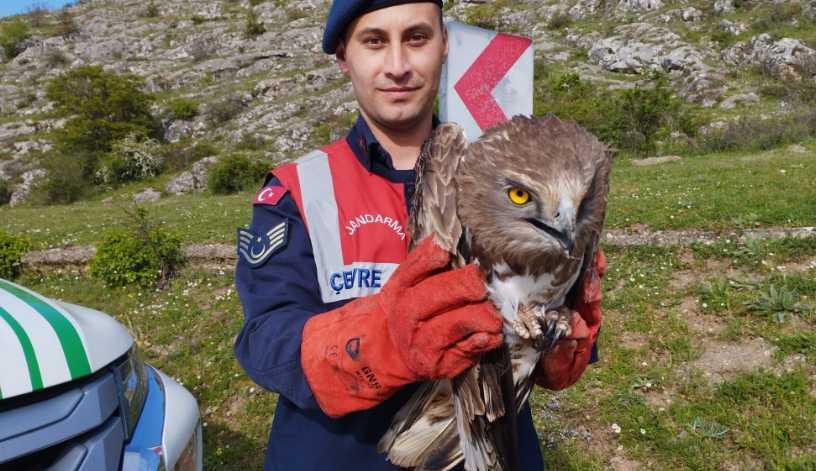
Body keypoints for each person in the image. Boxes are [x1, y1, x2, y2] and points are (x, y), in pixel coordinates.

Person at [233, 0, 605, 469]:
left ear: (444, 45)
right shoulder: (299, 189)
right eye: (374, 41)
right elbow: (265, 341)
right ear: (344, 58)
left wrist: (562, 342)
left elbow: (552, 327)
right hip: (340, 455)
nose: (398, 66)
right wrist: (379, 341)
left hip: (486, 444)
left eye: (416, 37)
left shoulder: (524, 176)